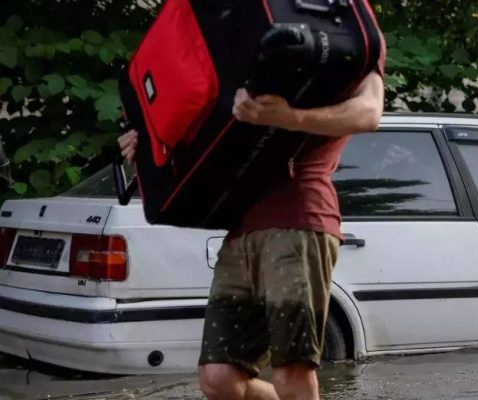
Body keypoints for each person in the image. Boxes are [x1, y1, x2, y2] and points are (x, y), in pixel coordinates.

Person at [117, 44, 385, 400]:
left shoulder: (347, 37)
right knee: (219, 377)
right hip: (240, 228)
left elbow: (369, 113)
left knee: (292, 371)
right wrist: (150, 151)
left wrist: (288, 116)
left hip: (297, 220)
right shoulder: (238, 39)